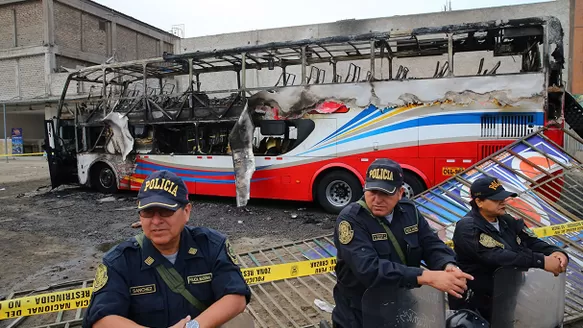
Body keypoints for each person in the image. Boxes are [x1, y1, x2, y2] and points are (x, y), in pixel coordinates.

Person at [82, 170, 252, 328]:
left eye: (165, 211)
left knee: (241, 323)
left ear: (186, 211)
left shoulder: (211, 246)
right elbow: (101, 318)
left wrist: (193, 327)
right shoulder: (121, 260)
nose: (156, 221)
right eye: (148, 212)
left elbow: (236, 296)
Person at [331, 158, 474, 328]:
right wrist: (427, 276)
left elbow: (431, 244)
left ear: (400, 193)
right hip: (360, 312)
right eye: (372, 192)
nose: (377, 199)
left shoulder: (409, 211)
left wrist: (447, 265)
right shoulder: (351, 219)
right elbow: (369, 269)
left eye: (385, 193)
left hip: (402, 304)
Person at [449, 176, 569, 323]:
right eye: (496, 199)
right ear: (479, 202)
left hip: (504, 298)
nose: (503, 202)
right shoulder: (468, 228)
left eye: (503, 198)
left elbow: (530, 241)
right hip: (475, 305)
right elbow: (498, 256)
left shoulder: (507, 220)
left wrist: (556, 252)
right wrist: (541, 261)